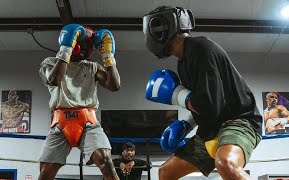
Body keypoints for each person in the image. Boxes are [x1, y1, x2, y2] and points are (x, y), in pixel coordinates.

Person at [143, 6, 262, 180]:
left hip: (239, 121)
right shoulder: (183, 62)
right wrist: (187, 124)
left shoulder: (200, 49)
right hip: (211, 128)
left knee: (226, 163)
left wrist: (177, 95)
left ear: (160, 29)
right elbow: (205, 100)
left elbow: (210, 105)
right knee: (165, 172)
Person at [38, 24, 121, 180]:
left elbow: (114, 86)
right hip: (60, 125)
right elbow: (54, 80)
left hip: (88, 122)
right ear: (70, 43)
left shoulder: (92, 67)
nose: (84, 49)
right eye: (81, 44)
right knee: (45, 173)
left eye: (88, 45)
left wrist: (108, 57)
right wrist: (66, 50)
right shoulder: (49, 62)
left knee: (106, 161)